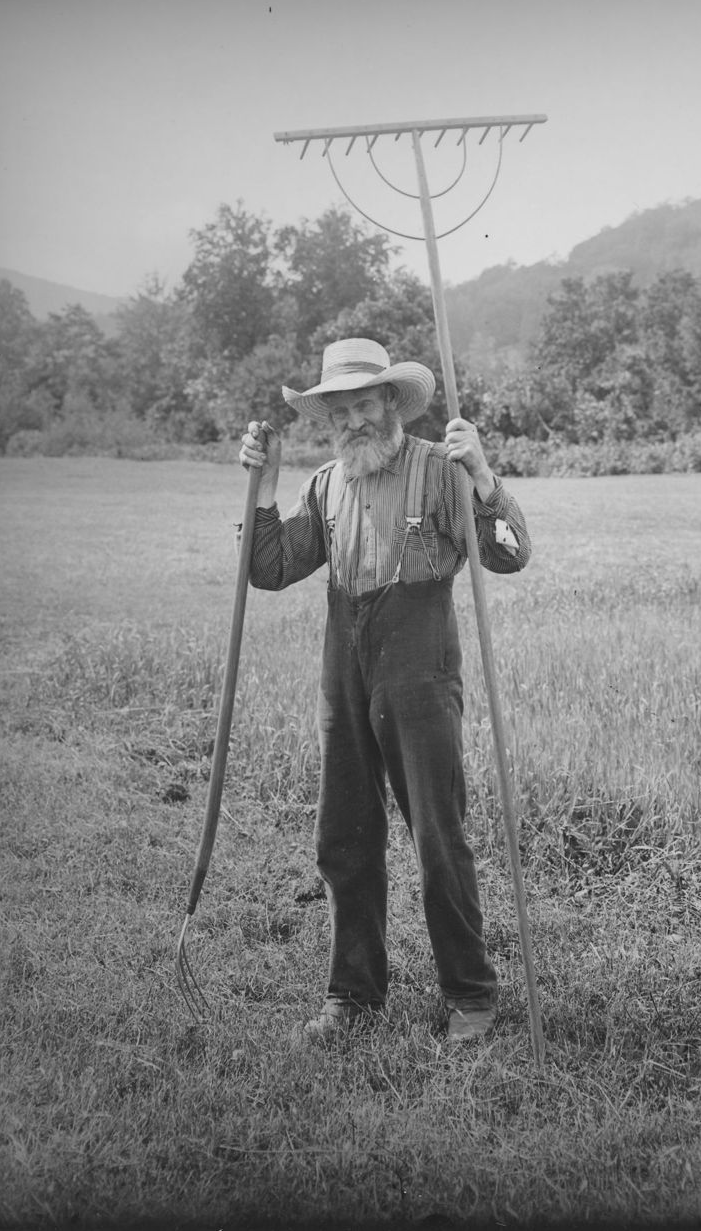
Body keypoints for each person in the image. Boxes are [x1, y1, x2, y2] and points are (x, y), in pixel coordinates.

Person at [238, 336, 531, 1043]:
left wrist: (485, 476)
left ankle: (470, 994)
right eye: (338, 410)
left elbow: (509, 553)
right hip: (345, 665)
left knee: (437, 832)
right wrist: (266, 484)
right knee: (344, 833)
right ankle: (352, 994)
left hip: (419, 667)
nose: (352, 420)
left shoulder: (440, 468)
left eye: (364, 403)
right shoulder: (327, 483)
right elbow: (271, 569)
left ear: (391, 402)